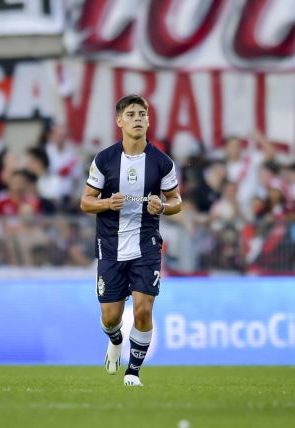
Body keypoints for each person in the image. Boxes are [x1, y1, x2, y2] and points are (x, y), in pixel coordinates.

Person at [80, 94, 182, 387]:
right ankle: (115, 340)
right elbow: (86, 202)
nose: (138, 119)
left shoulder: (162, 162)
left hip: (147, 243)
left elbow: (177, 201)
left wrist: (162, 206)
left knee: (142, 309)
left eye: (142, 114)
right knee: (111, 317)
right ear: (119, 121)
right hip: (110, 245)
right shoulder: (104, 159)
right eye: (132, 114)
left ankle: (133, 372)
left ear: (149, 121)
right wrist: (106, 204)